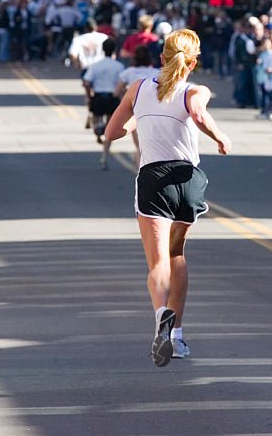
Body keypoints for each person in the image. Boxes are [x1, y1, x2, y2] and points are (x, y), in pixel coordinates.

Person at [104, 29, 231, 367]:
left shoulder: (139, 88)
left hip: (154, 178)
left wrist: (137, 121)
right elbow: (199, 113)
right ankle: (176, 336)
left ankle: (162, 314)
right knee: (178, 255)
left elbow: (111, 132)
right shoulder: (195, 89)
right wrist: (220, 138)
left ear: (161, 58)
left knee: (157, 262)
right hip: (188, 179)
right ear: (193, 62)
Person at [83, 39, 125, 170]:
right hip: (112, 98)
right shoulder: (119, 66)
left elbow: (86, 82)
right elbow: (122, 84)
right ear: (114, 50)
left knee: (96, 121)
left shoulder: (95, 65)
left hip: (99, 96)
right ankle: (104, 155)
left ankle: (97, 131)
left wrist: (89, 95)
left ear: (102, 49)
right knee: (110, 127)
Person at [114, 46, 161, 164]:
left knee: (139, 142)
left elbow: (117, 91)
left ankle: (141, 164)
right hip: (155, 109)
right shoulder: (158, 73)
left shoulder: (127, 73)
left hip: (135, 110)